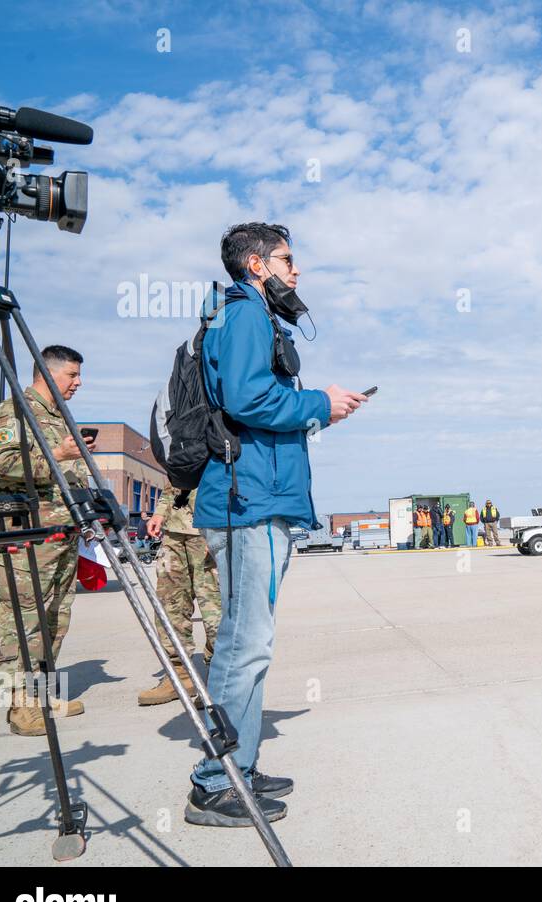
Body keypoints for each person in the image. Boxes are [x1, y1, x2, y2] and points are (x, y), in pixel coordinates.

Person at [187, 222, 367, 826]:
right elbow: (247, 400)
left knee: (251, 644)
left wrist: (321, 411)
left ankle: (241, 760)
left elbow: (257, 405)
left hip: (261, 501)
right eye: (288, 260)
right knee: (245, 643)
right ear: (257, 265)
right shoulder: (244, 314)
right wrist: (319, 402)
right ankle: (215, 782)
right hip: (249, 504)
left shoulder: (249, 317)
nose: (298, 272)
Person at [0, 345, 91, 735]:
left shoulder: (59, 418)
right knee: (22, 620)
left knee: (53, 620)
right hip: (27, 537)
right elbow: (4, 463)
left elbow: (70, 475)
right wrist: (59, 456)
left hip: (61, 536)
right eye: (72, 376)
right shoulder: (14, 411)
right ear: (47, 374)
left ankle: (43, 695)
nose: (78, 383)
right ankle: (20, 706)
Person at [138, 484, 221, 706]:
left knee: (215, 608)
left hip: (210, 527)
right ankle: (179, 675)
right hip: (173, 533)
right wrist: (159, 512)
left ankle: (220, 679)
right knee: (170, 606)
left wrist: (223, 530)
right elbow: (174, 479)